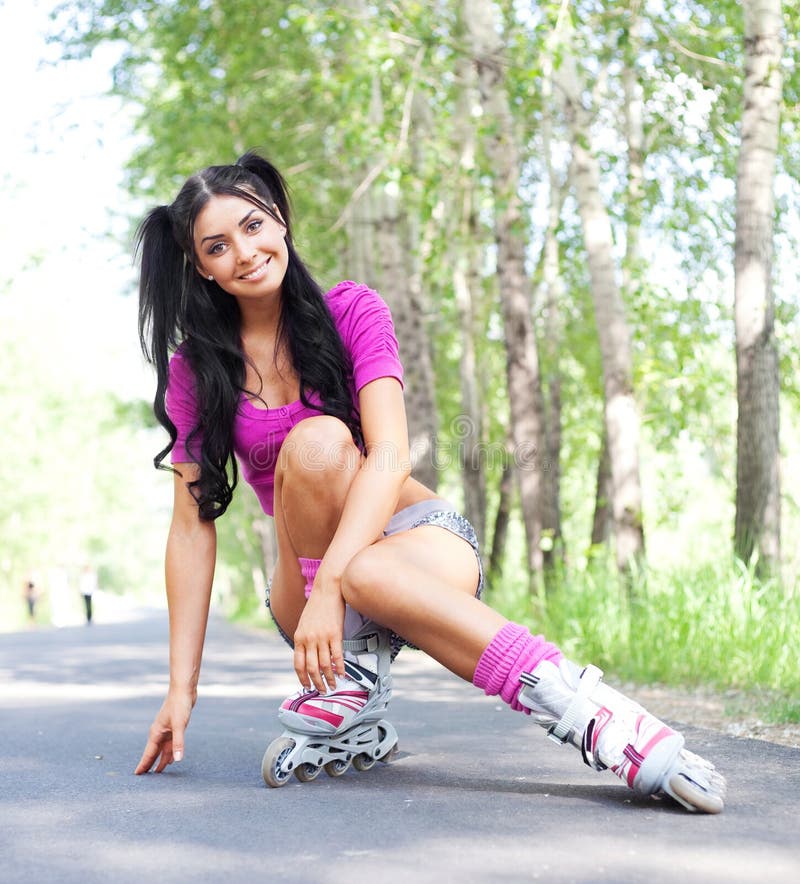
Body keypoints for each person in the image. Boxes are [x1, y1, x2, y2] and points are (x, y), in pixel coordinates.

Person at [133, 151, 726, 813]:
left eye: (252, 225)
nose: (243, 251)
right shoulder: (196, 372)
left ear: (280, 220)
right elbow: (191, 527)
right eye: (218, 245)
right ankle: (351, 675)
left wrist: (335, 580)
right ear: (201, 268)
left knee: (328, 459)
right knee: (334, 498)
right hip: (304, 588)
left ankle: (595, 716)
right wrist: (181, 689)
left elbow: (391, 454)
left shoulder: (351, 309)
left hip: (418, 544)